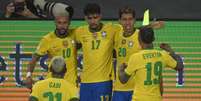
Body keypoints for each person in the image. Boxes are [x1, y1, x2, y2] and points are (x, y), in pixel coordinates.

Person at [112, 7, 164, 101]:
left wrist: (160, 89)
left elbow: (153, 62)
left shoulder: (141, 36)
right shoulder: (116, 34)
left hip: (138, 90)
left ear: (135, 20)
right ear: (119, 21)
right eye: (124, 19)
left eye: (130, 19)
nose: (127, 23)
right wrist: (150, 25)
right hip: (119, 88)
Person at [118, 27, 183, 101]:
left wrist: (120, 69)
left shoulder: (135, 57)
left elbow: (123, 80)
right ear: (153, 38)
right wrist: (171, 52)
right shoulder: (162, 55)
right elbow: (180, 66)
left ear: (139, 39)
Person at [75, 3, 118, 101]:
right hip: (85, 82)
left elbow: (130, 30)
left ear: (100, 16)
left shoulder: (112, 29)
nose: (93, 21)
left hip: (104, 82)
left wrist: (149, 26)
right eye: (89, 18)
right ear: (85, 18)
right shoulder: (80, 32)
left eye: (95, 17)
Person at [26, 10, 78, 88]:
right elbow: (34, 59)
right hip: (53, 83)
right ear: (55, 23)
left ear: (69, 23)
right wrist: (28, 75)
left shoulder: (75, 34)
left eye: (65, 23)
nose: (62, 26)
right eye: (59, 23)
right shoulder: (47, 39)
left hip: (71, 83)